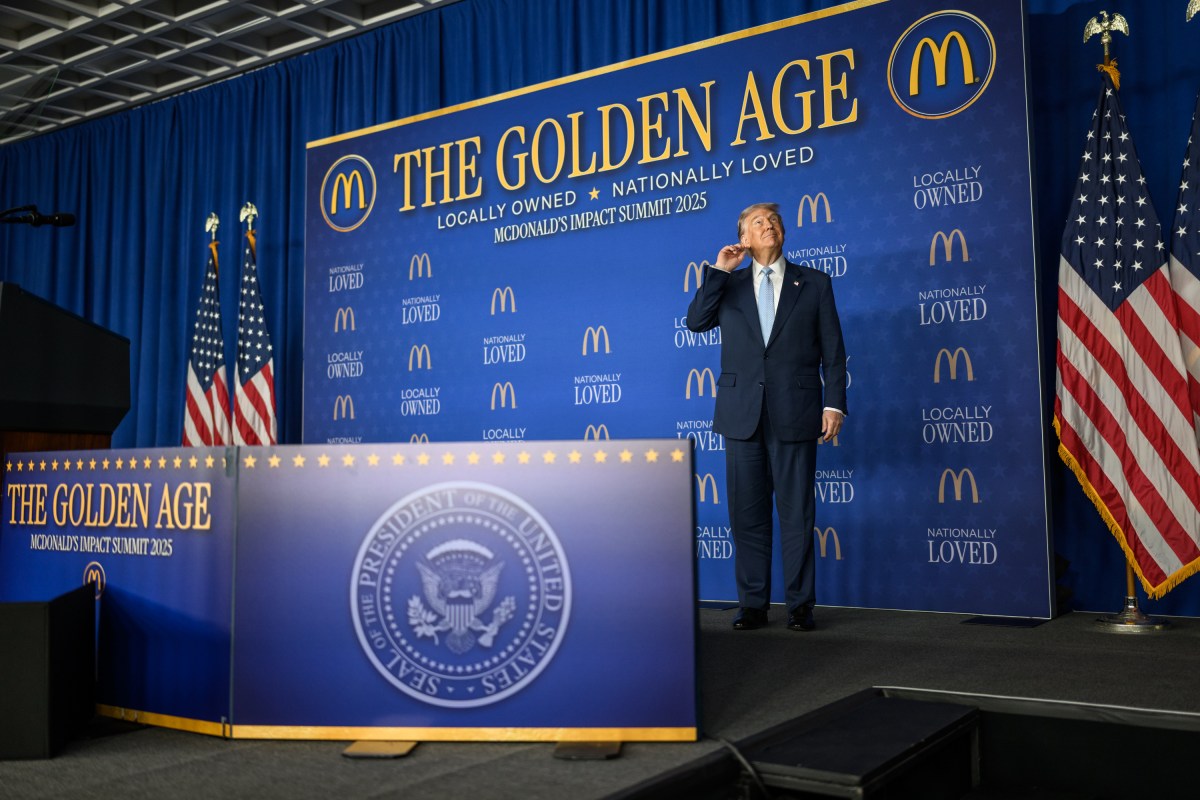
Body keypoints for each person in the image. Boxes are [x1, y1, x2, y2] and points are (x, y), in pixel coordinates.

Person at [686, 202, 847, 631]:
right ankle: (753, 604)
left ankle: (799, 605)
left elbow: (833, 352)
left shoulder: (814, 282)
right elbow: (696, 322)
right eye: (757, 221)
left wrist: (834, 404)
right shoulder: (729, 284)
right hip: (741, 416)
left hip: (796, 411)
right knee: (747, 515)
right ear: (743, 235)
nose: (768, 225)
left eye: (773, 220)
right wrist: (718, 270)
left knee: (797, 513)